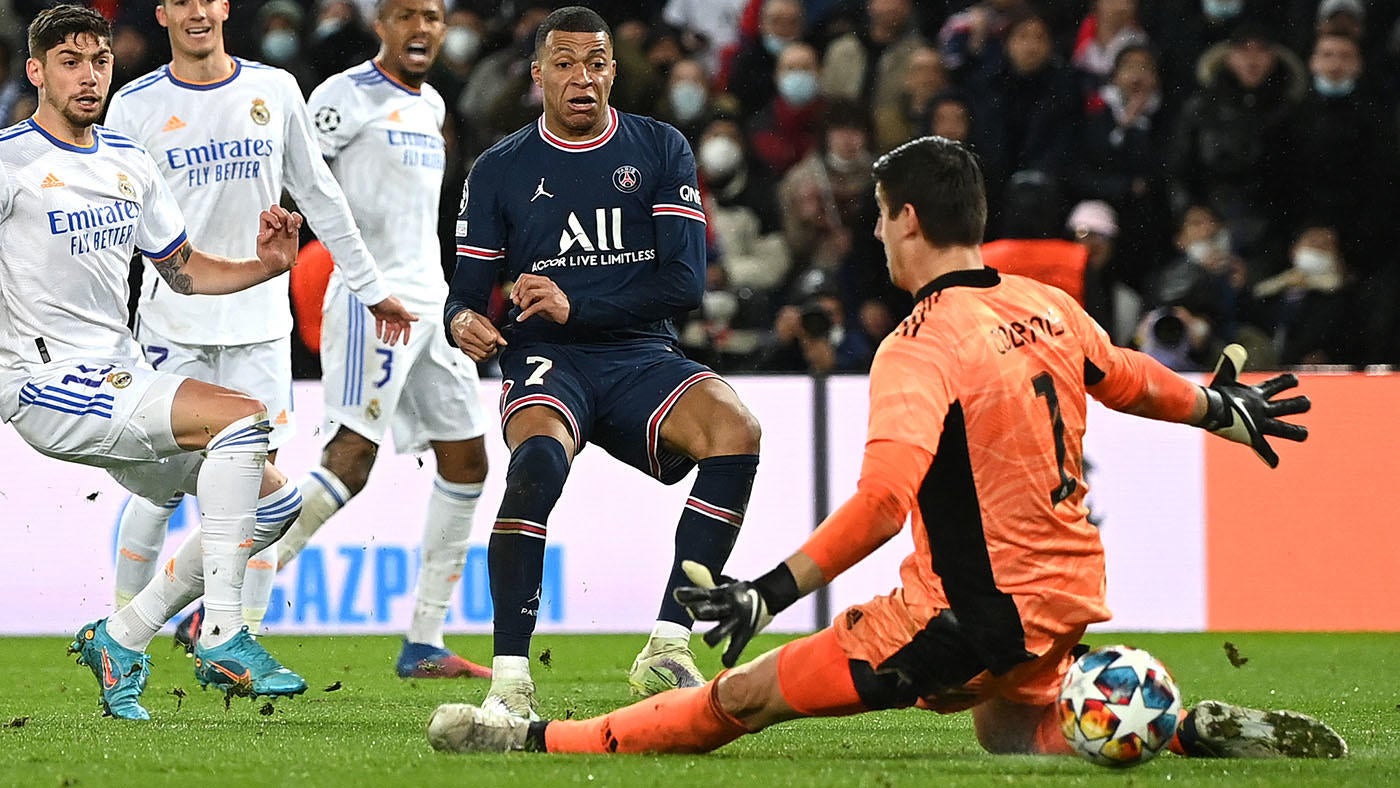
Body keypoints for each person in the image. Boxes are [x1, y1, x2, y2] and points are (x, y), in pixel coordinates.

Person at [426, 136, 1346, 761]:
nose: (874, 231)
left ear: (906, 218)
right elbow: (1127, 375)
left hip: (962, 621)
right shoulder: (1043, 302)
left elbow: (882, 504)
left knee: (739, 702)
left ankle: (533, 740)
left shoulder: (919, 346)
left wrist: (769, 591)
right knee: (1004, 729)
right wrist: (1217, 410)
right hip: (1066, 599)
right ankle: (1181, 730)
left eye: (876, 215)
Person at [446, 6, 763, 718]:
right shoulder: (498, 169)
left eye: (595, 64)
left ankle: (668, 645)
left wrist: (574, 299)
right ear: (538, 77)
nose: (582, 78)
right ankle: (509, 684)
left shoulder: (660, 148)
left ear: (613, 71)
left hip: (640, 352)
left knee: (737, 432)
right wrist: (462, 323)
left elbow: (684, 283)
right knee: (535, 466)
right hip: (546, 359)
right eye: (564, 64)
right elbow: (463, 298)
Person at [1, 5, 310, 720]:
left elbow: (185, 270)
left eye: (100, 60)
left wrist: (264, 267)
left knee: (277, 503)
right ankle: (228, 631)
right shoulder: (11, 162)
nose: (89, 75)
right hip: (45, 384)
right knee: (243, 420)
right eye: (71, 61)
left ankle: (122, 635)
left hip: (119, 376)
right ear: (37, 71)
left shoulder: (128, 160)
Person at [102, 0, 415, 639]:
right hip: (172, 328)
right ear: (161, 13)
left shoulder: (274, 89)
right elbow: (110, 224)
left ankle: (238, 637)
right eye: (181, 0)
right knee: (158, 487)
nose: (196, 11)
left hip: (260, 331)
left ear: (223, 7)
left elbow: (321, 195)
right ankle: (119, 637)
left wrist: (370, 287)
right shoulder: (133, 105)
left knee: (262, 492)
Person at [255, 0, 493, 680]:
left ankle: (424, 641)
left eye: (433, 18)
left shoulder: (434, 108)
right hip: (370, 302)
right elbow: (293, 179)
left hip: (432, 304)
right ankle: (231, 601)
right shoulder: (342, 96)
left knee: (468, 461)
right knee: (352, 459)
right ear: (381, 24)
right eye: (406, 15)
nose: (422, 29)